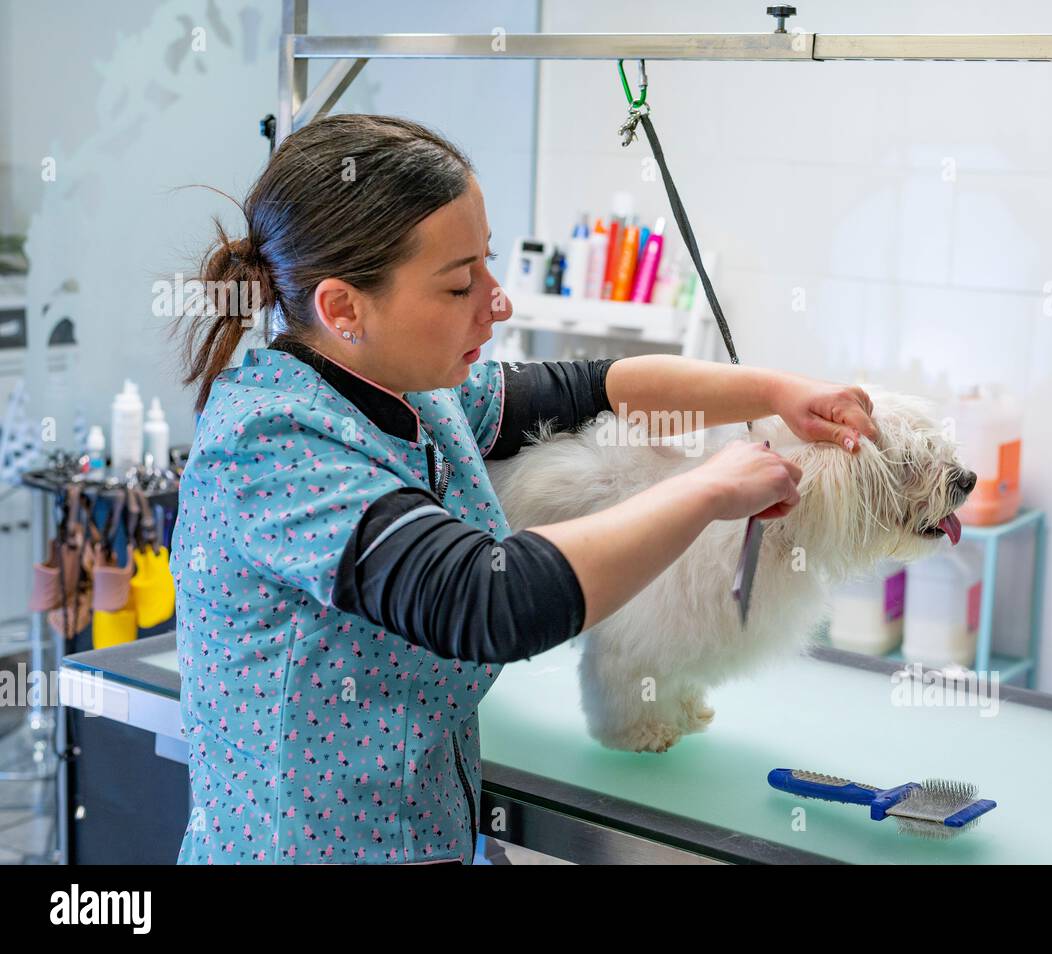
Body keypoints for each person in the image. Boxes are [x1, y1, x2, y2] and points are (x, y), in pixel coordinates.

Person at [170, 113, 876, 864]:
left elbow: (594, 389)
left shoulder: (417, 391)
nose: (497, 302)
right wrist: (708, 490)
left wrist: (777, 391)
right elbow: (486, 599)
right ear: (343, 309)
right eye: (458, 284)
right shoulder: (270, 446)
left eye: (489, 265)